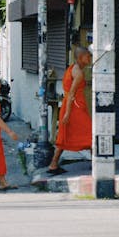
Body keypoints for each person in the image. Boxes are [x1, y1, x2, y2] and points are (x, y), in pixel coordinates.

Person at [48, 47, 93, 175]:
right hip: (74, 108)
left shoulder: (72, 68)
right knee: (90, 133)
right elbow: (72, 93)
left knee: (65, 135)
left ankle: (53, 164)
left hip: (71, 106)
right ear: (80, 58)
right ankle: (97, 164)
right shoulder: (78, 73)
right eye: (87, 56)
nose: (89, 59)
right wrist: (68, 112)